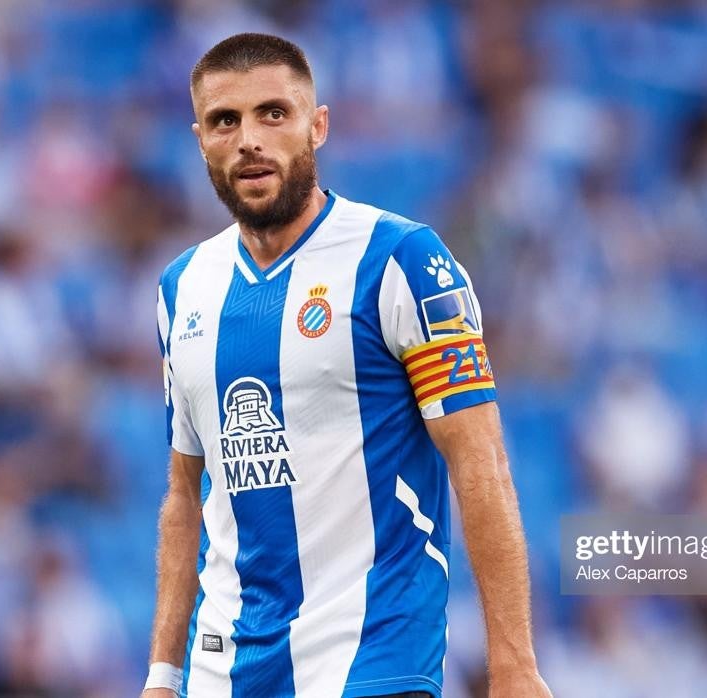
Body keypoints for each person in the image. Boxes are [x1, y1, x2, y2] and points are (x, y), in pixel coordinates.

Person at [142, 33, 550, 698]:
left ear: (318, 125)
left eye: (273, 113)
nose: (249, 138)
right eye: (225, 120)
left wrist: (513, 666)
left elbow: (480, 460)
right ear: (200, 140)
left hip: (372, 660)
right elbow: (187, 493)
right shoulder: (181, 289)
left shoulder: (402, 261)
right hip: (225, 673)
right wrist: (163, 673)